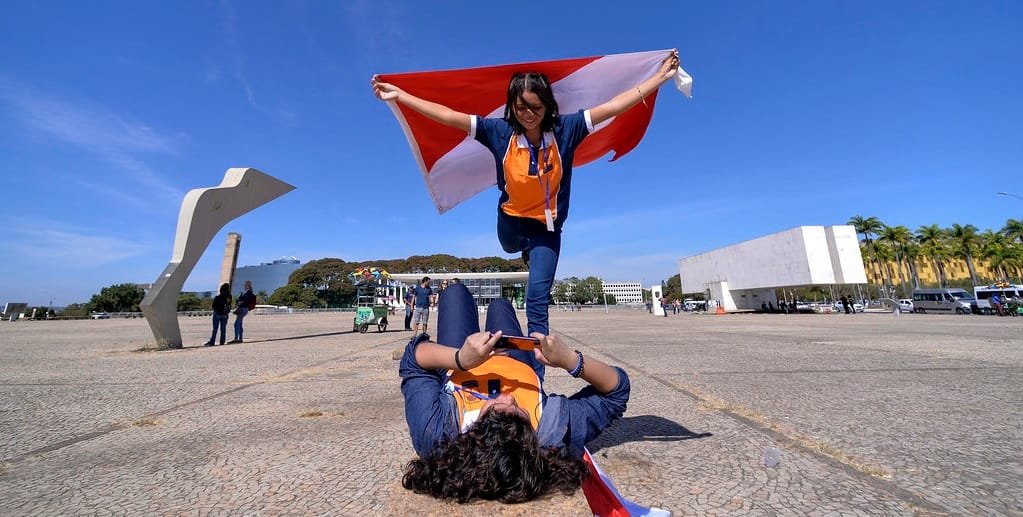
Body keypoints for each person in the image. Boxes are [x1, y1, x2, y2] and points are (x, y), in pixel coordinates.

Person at [373, 51, 680, 337]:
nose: (529, 114)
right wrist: (401, 96)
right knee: (508, 247)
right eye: (521, 107)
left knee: (537, 301)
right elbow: (449, 116)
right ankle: (523, 251)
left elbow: (614, 105)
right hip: (511, 222)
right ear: (512, 106)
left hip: (547, 229)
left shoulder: (566, 129)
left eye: (536, 106)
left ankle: (537, 369)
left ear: (548, 104)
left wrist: (659, 79)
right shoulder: (500, 132)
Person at [399, 282, 629, 503]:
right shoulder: (553, 431)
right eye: (519, 412)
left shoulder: (437, 436)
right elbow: (616, 392)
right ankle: (502, 299)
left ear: (471, 435)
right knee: (501, 305)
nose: (508, 397)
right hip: (518, 362)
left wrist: (460, 358)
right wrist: (570, 360)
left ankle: (459, 305)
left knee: (455, 293)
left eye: (494, 409)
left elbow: (413, 359)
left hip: (460, 362)